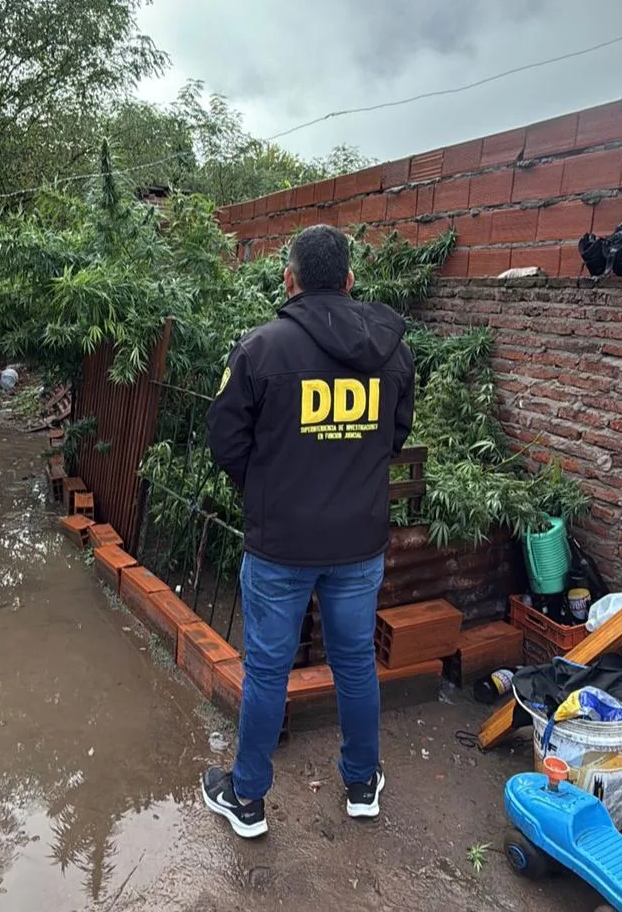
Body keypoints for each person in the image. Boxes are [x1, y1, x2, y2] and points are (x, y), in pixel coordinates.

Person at [201, 223, 415, 838]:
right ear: (349, 279)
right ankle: (362, 784)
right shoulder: (393, 354)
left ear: (289, 280)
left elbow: (225, 440)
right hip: (358, 543)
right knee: (355, 663)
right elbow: (395, 435)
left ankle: (247, 798)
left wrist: (269, 490)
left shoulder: (259, 350)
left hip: (281, 545)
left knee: (269, 670)